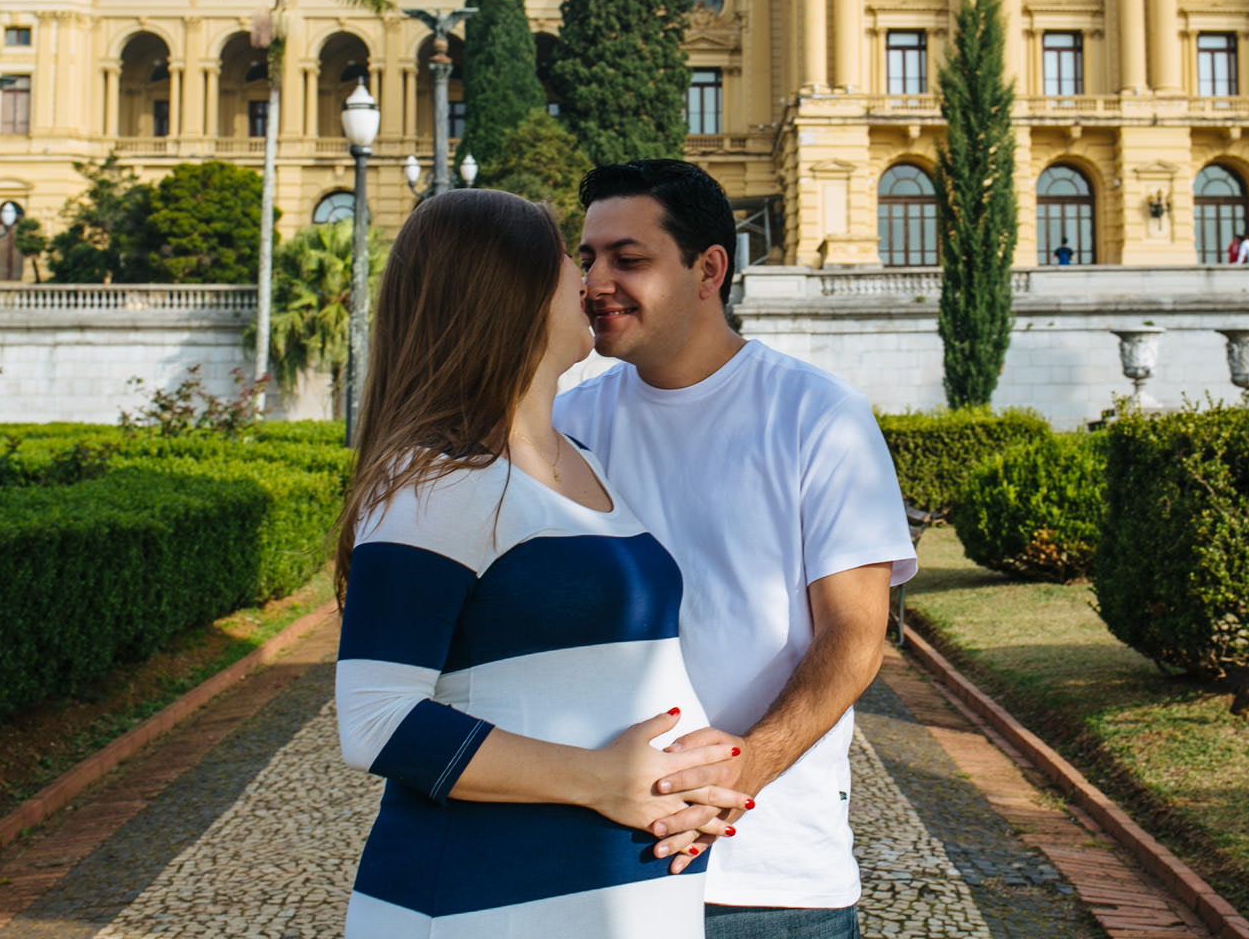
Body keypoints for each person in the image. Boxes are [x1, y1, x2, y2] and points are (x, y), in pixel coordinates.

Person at [334, 189, 751, 938]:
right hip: (486, 901)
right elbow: (374, 718)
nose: (589, 282)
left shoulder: (583, 460)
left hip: (621, 897)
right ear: (510, 292)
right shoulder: (437, 482)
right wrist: (601, 780)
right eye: (569, 260)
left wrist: (695, 781)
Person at [555, 160, 917, 939]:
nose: (595, 282)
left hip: (768, 880)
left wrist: (738, 774)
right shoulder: (563, 426)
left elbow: (855, 635)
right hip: (587, 865)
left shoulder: (818, 418)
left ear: (709, 269)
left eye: (629, 258)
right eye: (587, 258)